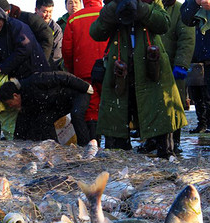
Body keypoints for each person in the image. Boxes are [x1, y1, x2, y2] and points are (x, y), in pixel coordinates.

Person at [89, 0, 187, 159]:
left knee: (161, 114)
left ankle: (166, 157)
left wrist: (141, 9)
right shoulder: (112, 5)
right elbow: (96, 33)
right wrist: (115, 8)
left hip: (151, 71)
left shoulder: (151, 2)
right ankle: (119, 164)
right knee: (117, 120)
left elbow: (164, 24)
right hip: (121, 73)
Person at [138, 0, 195, 154]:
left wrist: (182, 64)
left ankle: (175, 141)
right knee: (152, 104)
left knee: (173, 107)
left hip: (172, 66)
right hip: (152, 65)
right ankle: (152, 139)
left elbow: (187, 38)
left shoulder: (179, 9)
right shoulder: (152, 5)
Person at [0, 71, 93, 144]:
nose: (10, 106)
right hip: (61, 104)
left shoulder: (34, 81)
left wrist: (84, 86)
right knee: (44, 121)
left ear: (15, 96)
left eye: (9, 103)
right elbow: (22, 125)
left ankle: (84, 146)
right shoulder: (25, 103)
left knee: (76, 114)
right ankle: (53, 148)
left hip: (78, 93)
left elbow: (61, 76)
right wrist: (17, 143)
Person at [62, 0, 107, 146]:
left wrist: (72, 70)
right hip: (109, 69)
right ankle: (114, 145)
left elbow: (67, 50)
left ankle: (93, 145)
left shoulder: (74, 18)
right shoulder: (108, 13)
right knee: (112, 106)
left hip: (84, 71)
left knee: (91, 110)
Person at [0, 4, 50, 80]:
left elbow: (25, 48)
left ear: (3, 18)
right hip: (20, 75)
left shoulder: (16, 26)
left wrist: (4, 67)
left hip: (34, 71)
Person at [181, 0, 210, 133]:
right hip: (198, 53)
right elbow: (186, 18)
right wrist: (196, 3)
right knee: (196, 91)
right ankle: (203, 123)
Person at [35, 0, 63, 69]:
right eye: (44, 11)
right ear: (36, 10)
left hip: (48, 67)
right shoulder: (27, 23)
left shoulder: (56, 29)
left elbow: (57, 55)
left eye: (50, 12)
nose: (48, 15)